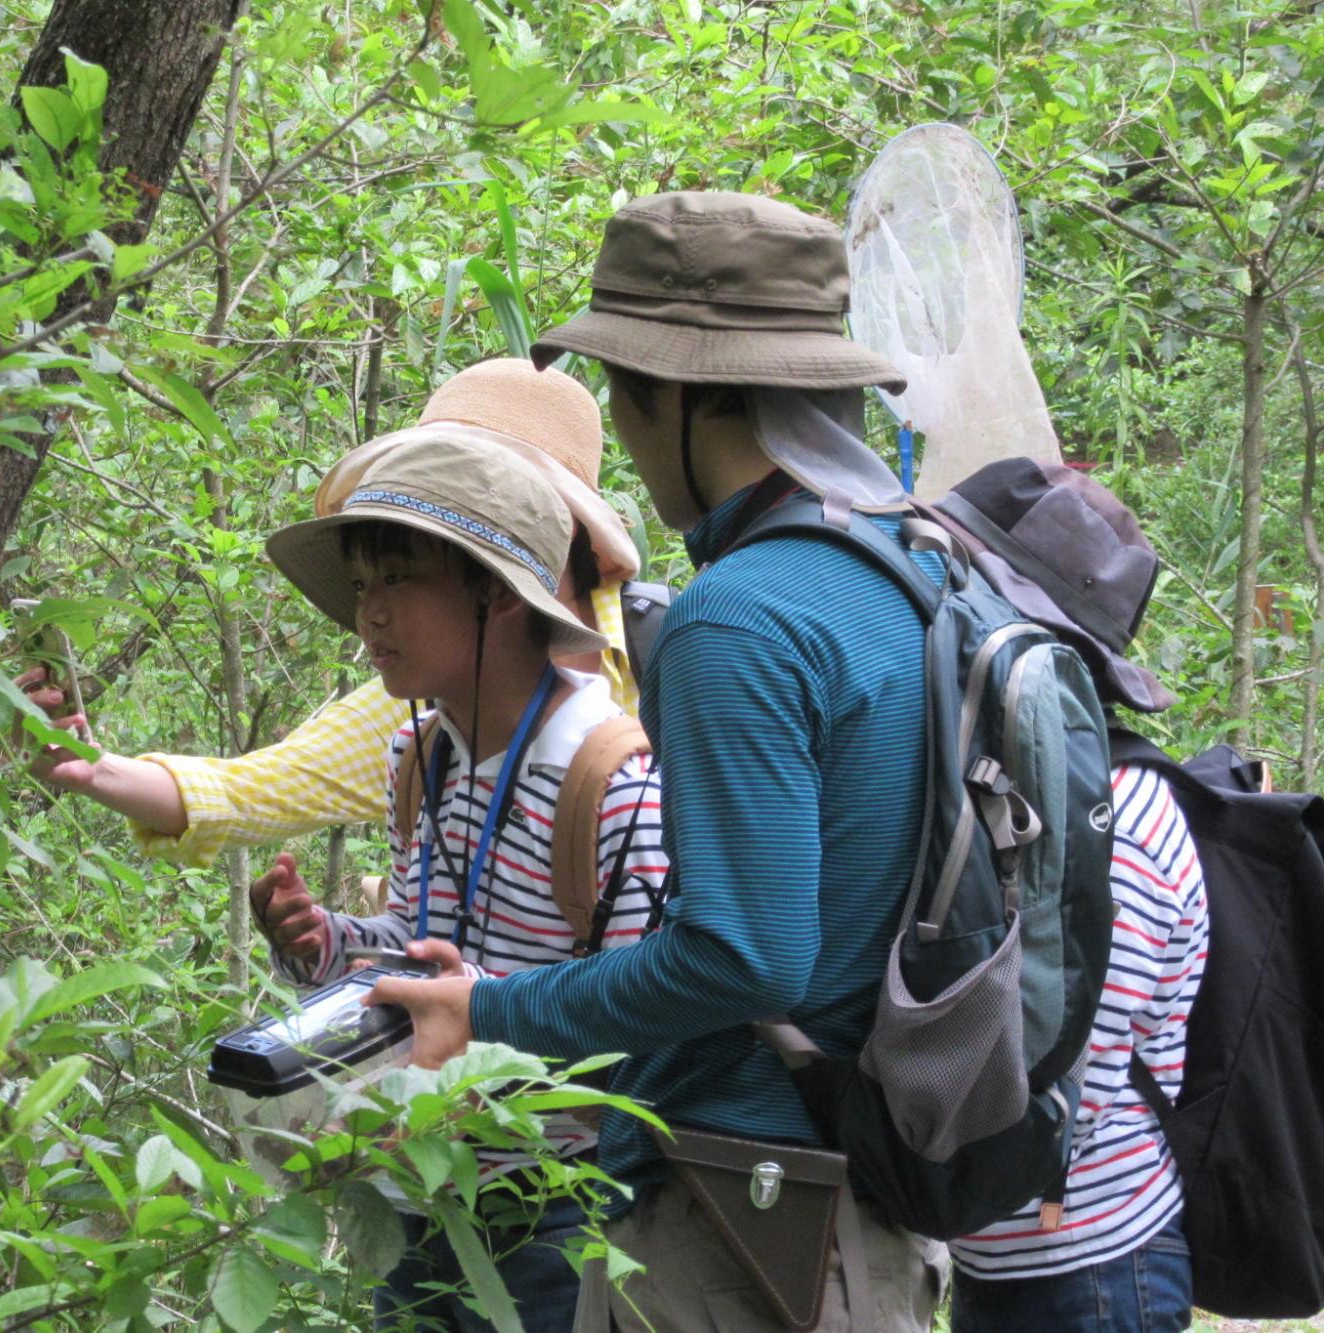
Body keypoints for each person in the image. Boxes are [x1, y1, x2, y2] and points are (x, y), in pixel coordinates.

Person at [372, 190, 948, 1331]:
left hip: (740, 1201)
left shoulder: (738, 618)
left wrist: (487, 1007)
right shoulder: (911, 561)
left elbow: (743, 958)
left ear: (680, 394)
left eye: (629, 399)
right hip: (874, 1173)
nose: (628, 441)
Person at [258, 428, 668, 1330]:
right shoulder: (422, 755)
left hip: (558, 1216)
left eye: (400, 580)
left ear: (498, 593)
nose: (370, 615)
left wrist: (488, 1019)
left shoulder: (611, 779)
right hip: (418, 1196)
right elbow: (417, 944)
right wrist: (327, 944)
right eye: (362, 586)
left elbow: (651, 1015)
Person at [21, 359, 651, 862]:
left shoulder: (678, 664)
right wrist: (95, 771)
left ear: (561, 527)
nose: (372, 611)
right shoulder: (429, 704)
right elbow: (259, 789)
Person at [924, 459, 1209, 1333]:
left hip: (1091, 1269)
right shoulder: (1007, 790)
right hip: (1017, 1265)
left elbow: (1052, 1055)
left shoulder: (1115, 814)